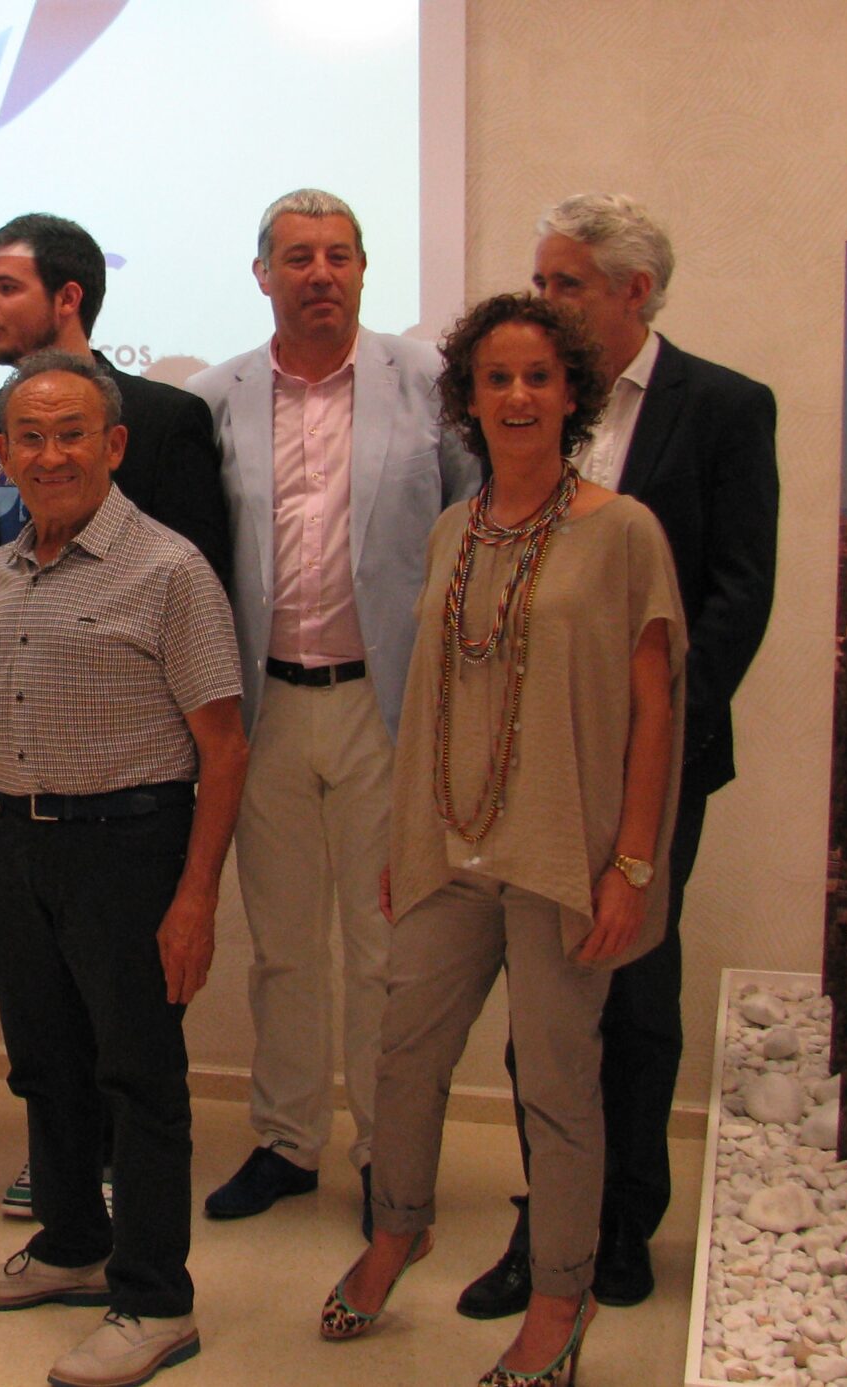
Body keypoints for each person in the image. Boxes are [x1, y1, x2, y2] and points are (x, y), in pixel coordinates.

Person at [316, 293, 684, 1386]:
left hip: (566, 857)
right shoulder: (452, 530)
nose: (517, 395)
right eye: (495, 378)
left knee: (557, 1089)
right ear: (467, 401)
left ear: (572, 395)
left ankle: (562, 1297)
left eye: (538, 377)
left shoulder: (622, 530)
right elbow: (433, 696)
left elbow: (655, 708)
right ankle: (400, 1228)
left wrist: (632, 864)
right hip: (449, 848)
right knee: (404, 1057)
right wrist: (406, 839)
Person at [457, 194, 779, 1318]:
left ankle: (624, 1223)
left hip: (653, 759)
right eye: (539, 281)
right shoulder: (525, 403)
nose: (544, 302)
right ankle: (548, 1222)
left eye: (567, 284)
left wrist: (653, 732)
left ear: (635, 291)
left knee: (631, 991)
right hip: (521, 757)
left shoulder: (724, 407)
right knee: (541, 1002)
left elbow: (739, 591)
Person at [0, 351, 246, 1387]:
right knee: (46, 1065)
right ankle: (72, 1243)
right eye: (30, 437)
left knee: (138, 1079)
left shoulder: (170, 570)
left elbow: (225, 749)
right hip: (16, 845)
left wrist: (196, 898)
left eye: (72, 433)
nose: (51, 454)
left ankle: (156, 1300)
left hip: (128, 850)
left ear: (113, 445)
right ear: (3, 454)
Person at [187, 189, 473, 1233]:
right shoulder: (214, 398)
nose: (320, 273)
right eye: (299, 256)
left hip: (384, 706)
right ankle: (286, 1139)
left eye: (338, 255)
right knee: (282, 945)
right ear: (262, 274)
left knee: (387, 946)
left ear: (363, 268)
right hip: (263, 707)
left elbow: (469, 525)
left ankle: (388, 1154)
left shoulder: (430, 383)